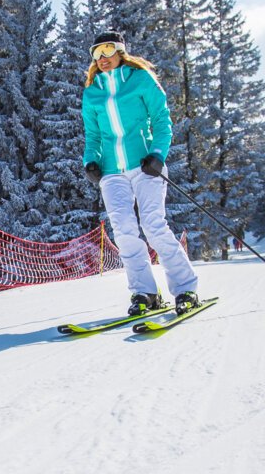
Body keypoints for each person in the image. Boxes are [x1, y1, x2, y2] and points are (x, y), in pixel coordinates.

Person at [82, 31, 200, 315]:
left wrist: (158, 154)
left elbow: (162, 120)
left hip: (145, 164)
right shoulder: (92, 92)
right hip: (111, 173)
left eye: (107, 50)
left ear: (120, 51)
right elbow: (93, 135)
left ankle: (185, 289)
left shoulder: (140, 79)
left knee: (153, 225)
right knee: (124, 231)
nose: (102, 58)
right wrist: (91, 161)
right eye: (96, 53)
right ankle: (145, 293)